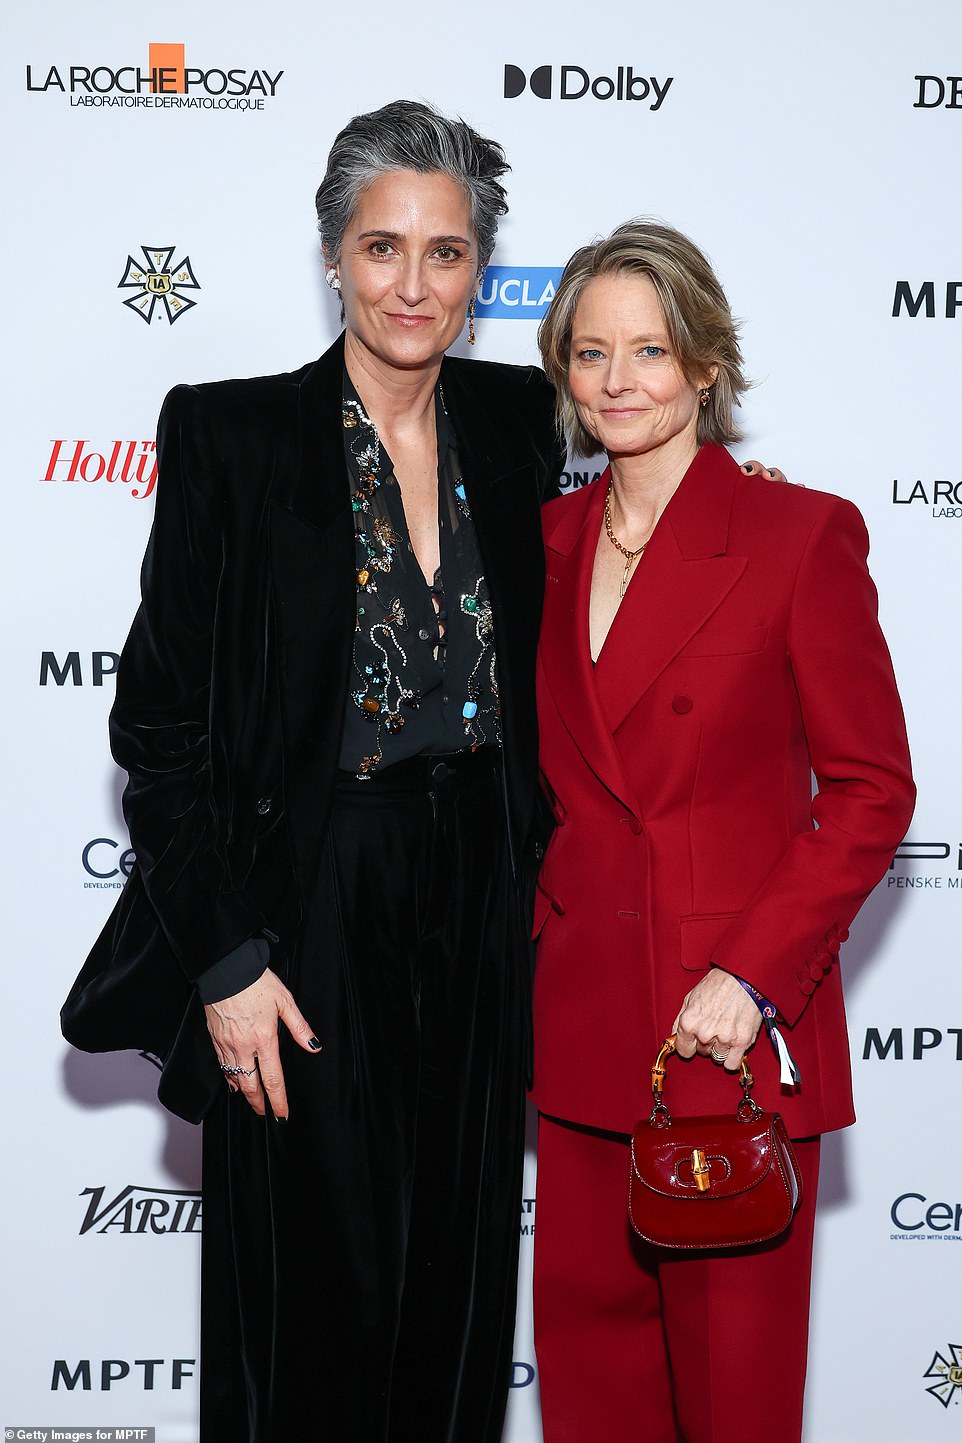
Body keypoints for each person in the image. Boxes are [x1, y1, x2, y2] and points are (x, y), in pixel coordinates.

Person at [62, 99, 567, 1443]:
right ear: (334, 255)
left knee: (457, 1285)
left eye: (447, 252)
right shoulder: (232, 437)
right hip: (307, 901)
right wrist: (224, 956)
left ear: (479, 268)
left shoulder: (524, 425)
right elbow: (158, 729)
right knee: (308, 1302)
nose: (414, 283)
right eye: (383, 247)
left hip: (477, 893)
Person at [529, 220, 915, 1443]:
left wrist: (749, 975)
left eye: (650, 349)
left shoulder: (800, 535)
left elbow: (869, 788)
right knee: (592, 1406)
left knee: (735, 1409)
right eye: (590, 353)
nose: (618, 380)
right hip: (578, 1033)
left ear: (705, 364)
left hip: (718, 1044)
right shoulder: (537, 544)